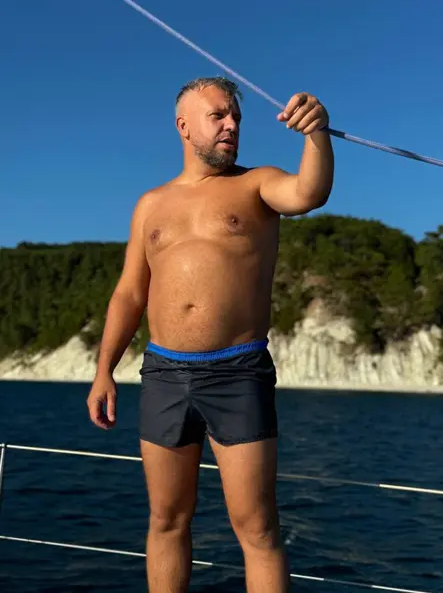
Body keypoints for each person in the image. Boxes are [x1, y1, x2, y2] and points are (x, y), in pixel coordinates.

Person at [87, 76, 334, 593]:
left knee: (258, 528)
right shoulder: (151, 204)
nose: (231, 125)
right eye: (218, 115)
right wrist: (103, 370)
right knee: (166, 520)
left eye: (236, 117)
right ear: (183, 126)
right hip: (163, 374)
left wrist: (316, 133)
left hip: (238, 372)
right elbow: (129, 293)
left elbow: (308, 192)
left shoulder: (257, 183)